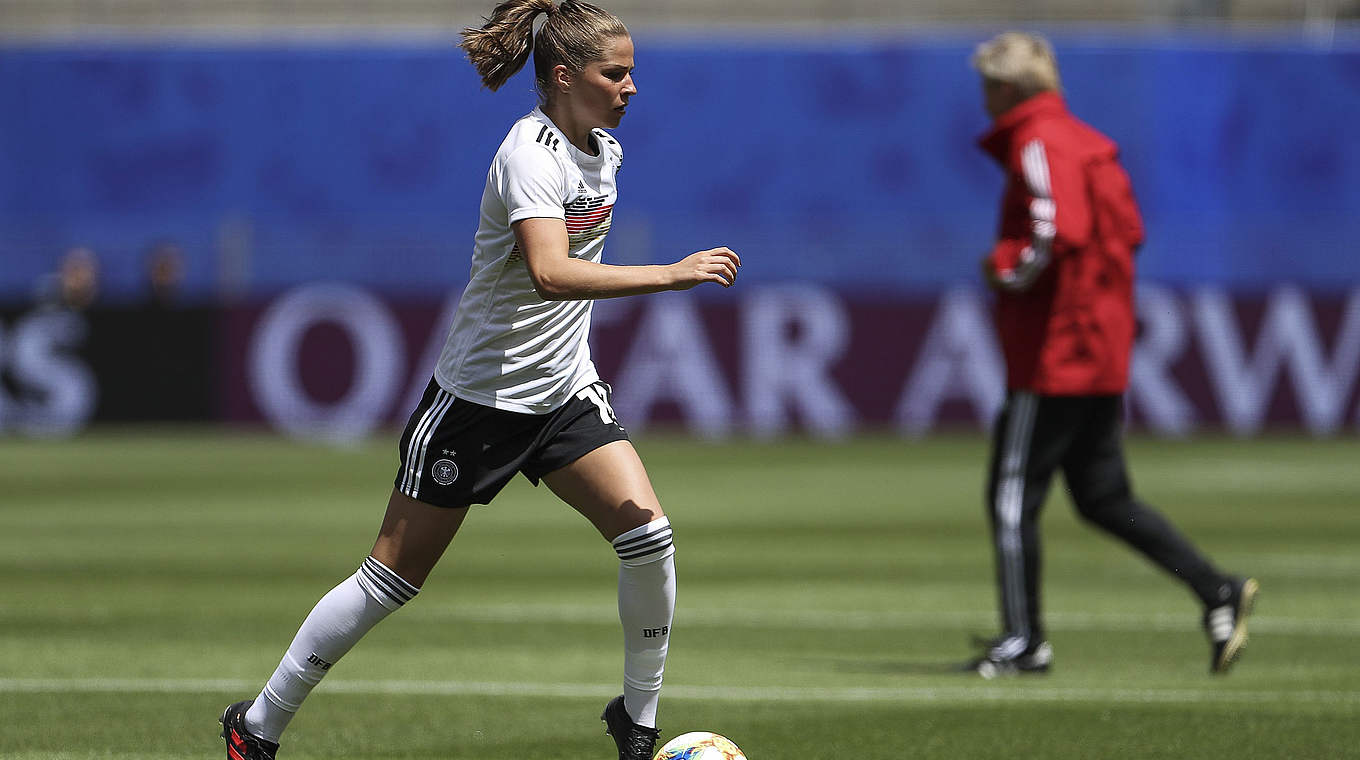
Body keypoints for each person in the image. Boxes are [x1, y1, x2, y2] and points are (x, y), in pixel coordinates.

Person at [219, 2, 740, 758]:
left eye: (633, 71)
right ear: (564, 76)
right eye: (616, 72)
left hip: (563, 392)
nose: (632, 87)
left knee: (649, 537)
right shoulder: (528, 155)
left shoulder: (604, 149)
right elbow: (551, 273)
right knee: (389, 579)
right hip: (480, 401)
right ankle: (258, 724)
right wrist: (671, 273)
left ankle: (638, 723)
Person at [965, 31, 1257, 678]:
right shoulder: (1090, 145)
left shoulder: (1038, 142)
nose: (983, 100)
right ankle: (1217, 590)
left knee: (1012, 497)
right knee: (1102, 496)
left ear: (1009, 89)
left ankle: (1024, 640)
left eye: (987, 86)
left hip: (1053, 353)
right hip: (1099, 350)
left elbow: (1051, 229)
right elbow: (1129, 234)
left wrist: (1005, 270)